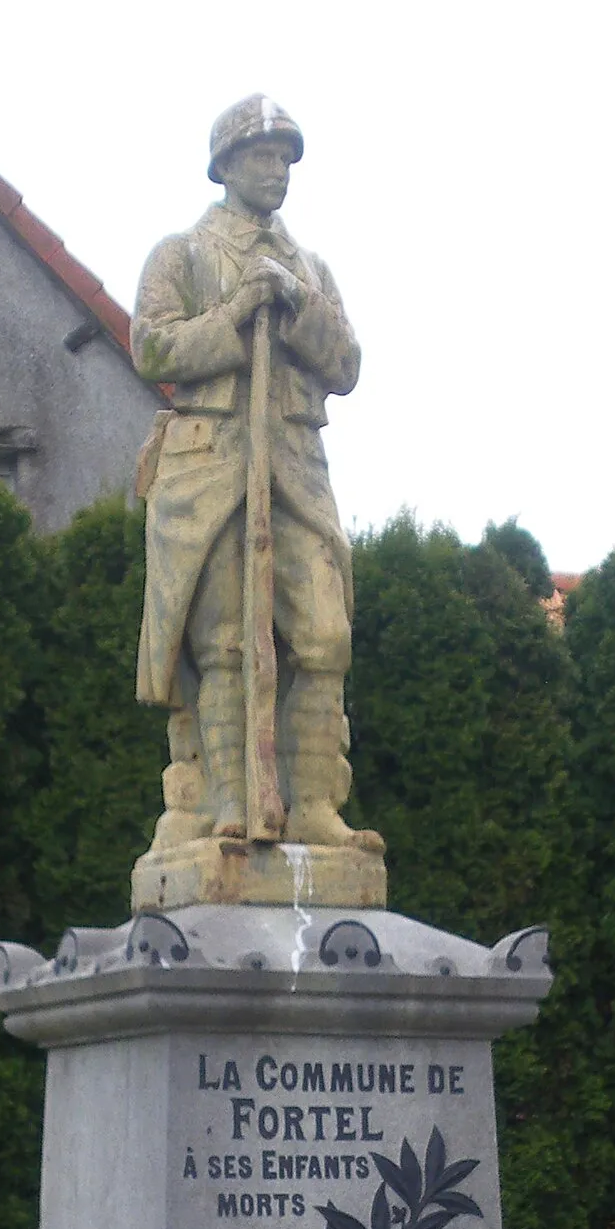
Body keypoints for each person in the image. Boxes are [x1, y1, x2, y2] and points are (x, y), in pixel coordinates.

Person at [132, 96, 378, 853]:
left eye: (286, 160)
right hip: (209, 466)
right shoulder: (183, 255)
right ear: (228, 166)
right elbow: (153, 349)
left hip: (295, 466)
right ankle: (227, 803)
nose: (278, 172)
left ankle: (310, 810)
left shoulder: (310, 267)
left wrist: (295, 302)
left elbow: (346, 365)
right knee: (225, 641)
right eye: (265, 157)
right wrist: (239, 311)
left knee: (324, 634)